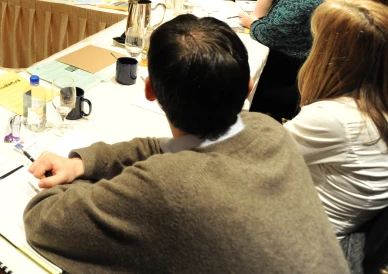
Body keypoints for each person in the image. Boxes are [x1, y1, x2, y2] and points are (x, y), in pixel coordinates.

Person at [23, 15, 347, 273]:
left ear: (150, 90)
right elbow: (164, 148)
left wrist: (85, 186)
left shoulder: (168, 188)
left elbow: (44, 220)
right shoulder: (266, 127)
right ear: (249, 87)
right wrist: (84, 163)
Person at [284, 0, 388, 239]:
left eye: (316, 39)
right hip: (332, 227)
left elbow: (256, 160)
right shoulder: (370, 106)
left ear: (331, 54)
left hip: (304, 238)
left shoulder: (334, 118)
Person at [240, 0, 349, 120]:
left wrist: (253, 23)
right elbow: (262, 17)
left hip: (293, 78)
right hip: (321, 74)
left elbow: (266, 34)